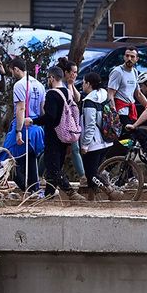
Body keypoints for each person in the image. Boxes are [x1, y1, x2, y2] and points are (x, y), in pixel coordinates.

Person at [30, 66, 85, 201]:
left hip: (54, 135)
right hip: (65, 134)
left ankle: (71, 193)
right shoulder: (67, 92)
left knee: (53, 166)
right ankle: (49, 194)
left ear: (52, 78)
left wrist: (33, 121)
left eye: (49, 78)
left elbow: (50, 117)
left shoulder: (52, 94)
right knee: (55, 165)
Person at [2, 57, 45, 192]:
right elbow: (42, 108)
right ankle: (34, 188)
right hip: (37, 127)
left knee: (4, 158)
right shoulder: (39, 84)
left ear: (16, 69)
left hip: (24, 125)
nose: (12, 75)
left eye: (11, 71)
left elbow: (21, 108)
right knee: (30, 158)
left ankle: (25, 187)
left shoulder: (19, 85)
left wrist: (18, 131)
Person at [80, 72, 121, 201]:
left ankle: (110, 191)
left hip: (94, 143)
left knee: (91, 174)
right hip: (106, 140)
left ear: (88, 84)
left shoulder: (89, 101)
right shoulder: (104, 95)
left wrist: (85, 145)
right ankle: (91, 197)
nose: (82, 84)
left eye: (83, 82)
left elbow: (90, 125)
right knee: (95, 170)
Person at [57, 57, 86, 185]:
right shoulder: (61, 85)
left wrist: (72, 84)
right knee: (54, 150)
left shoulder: (71, 85)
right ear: (66, 73)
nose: (75, 75)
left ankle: (82, 176)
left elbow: (78, 98)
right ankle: (40, 173)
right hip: (62, 122)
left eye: (76, 72)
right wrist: (69, 84)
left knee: (75, 148)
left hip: (71, 122)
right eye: (73, 72)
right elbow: (69, 99)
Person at [107, 47, 147, 124]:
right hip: (120, 112)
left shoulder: (135, 72)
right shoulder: (118, 72)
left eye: (132, 56)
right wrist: (114, 113)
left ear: (137, 59)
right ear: (124, 57)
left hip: (131, 111)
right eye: (127, 56)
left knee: (131, 134)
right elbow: (110, 94)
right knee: (126, 135)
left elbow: (138, 94)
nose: (129, 58)